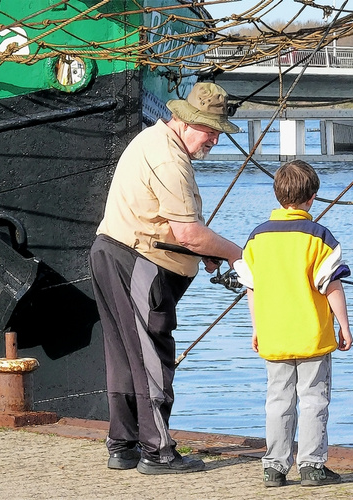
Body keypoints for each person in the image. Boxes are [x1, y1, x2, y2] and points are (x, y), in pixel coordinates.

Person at [90, 81, 246, 475]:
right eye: (209, 130)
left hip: (112, 251)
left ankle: (122, 445)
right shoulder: (170, 160)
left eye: (217, 132)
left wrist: (209, 252)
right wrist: (240, 254)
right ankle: (158, 452)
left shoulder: (153, 141)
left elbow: (170, 225)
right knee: (152, 357)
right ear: (184, 120)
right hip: (139, 262)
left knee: (124, 355)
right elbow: (188, 233)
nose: (213, 139)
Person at [235, 161, 353, 488]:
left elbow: (252, 288)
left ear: (277, 195)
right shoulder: (320, 238)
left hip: (274, 335)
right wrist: (344, 325)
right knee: (314, 398)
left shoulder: (257, 238)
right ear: (312, 198)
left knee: (278, 400)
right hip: (312, 334)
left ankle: (274, 467)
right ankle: (312, 467)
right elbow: (331, 286)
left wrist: (256, 328)